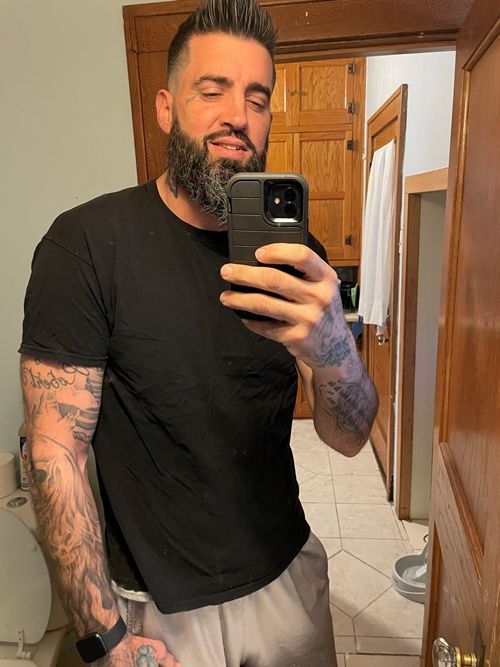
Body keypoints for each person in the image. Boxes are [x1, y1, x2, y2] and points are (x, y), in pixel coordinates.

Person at [19, 1, 378, 665]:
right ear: (166, 107)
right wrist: (104, 635)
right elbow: (54, 451)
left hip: (285, 582)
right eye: (212, 90)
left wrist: (332, 345)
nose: (238, 115)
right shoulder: (86, 246)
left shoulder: (300, 259)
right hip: (157, 606)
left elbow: (349, 438)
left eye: (257, 98)